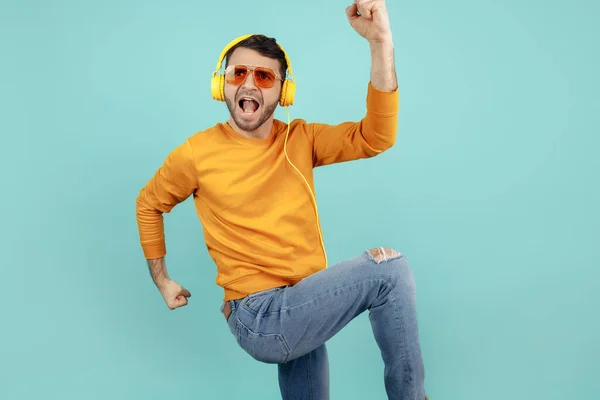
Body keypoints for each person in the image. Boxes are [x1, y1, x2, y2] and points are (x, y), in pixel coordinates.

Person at [135, 1, 427, 399]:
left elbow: (376, 137)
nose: (250, 84)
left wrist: (381, 43)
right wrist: (162, 280)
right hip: (261, 316)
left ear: (283, 92)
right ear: (222, 84)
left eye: (264, 76)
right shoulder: (196, 153)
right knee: (389, 270)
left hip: (298, 301)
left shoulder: (300, 139)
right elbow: (149, 203)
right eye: (239, 73)